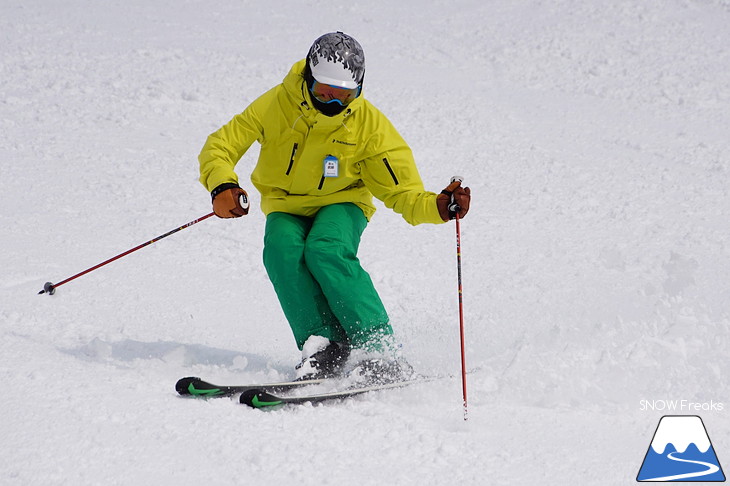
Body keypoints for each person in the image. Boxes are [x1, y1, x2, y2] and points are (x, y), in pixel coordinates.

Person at [198, 32, 470, 383]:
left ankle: (378, 348)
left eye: (343, 95)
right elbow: (220, 145)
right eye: (323, 91)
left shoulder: (368, 126)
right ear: (308, 80)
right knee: (282, 250)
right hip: (286, 203)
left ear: (358, 89)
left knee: (325, 249)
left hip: (344, 201)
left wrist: (438, 207)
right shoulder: (277, 104)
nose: (331, 102)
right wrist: (222, 184)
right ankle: (324, 346)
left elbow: (403, 192)